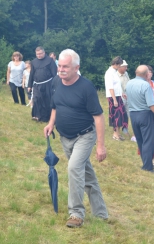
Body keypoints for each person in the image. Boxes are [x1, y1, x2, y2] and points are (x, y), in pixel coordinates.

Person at [44, 49, 108, 228]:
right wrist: (50, 124)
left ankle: (76, 214)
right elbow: (55, 106)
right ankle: (101, 212)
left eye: (65, 66)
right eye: (60, 66)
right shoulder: (56, 82)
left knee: (73, 168)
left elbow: (99, 117)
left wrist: (100, 146)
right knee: (85, 173)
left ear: (76, 68)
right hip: (65, 137)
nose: (61, 70)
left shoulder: (86, 87)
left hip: (85, 135)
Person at [126, 65, 154, 173]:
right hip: (145, 115)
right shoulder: (146, 85)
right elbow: (152, 104)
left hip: (133, 114)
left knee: (140, 140)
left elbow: (126, 97)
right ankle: (148, 166)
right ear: (146, 74)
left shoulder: (129, 83)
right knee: (149, 141)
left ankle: (145, 163)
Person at [28, 46, 57, 122]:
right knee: (37, 99)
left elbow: (54, 74)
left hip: (48, 84)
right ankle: (37, 116)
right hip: (37, 84)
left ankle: (47, 118)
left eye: (40, 54)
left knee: (47, 101)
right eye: (37, 54)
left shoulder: (50, 61)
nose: (39, 55)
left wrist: (56, 85)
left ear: (44, 53)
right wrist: (29, 85)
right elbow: (32, 74)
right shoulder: (34, 62)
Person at [104, 56, 128, 141]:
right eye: (119, 65)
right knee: (115, 116)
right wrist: (114, 99)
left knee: (121, 115)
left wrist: (122, 93)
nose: (120, 67)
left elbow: (117, 86)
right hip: (112, 97)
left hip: (118, 96)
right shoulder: (109, 73)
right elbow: (110, 87)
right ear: (116, 64)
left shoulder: (114, 72)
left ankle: (118, 133)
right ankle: (115, 134)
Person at [117, 60, 136, 141]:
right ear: (120, 67)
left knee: (128, 113)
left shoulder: (126, 74)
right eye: (125, 67)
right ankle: (117, 131)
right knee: (119, 114)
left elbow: (128, 83)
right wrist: (121, 93)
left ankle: (125, 129)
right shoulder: (115, 75)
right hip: (120, 96)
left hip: (127, 95)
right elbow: (116, 87)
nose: (126, 68)